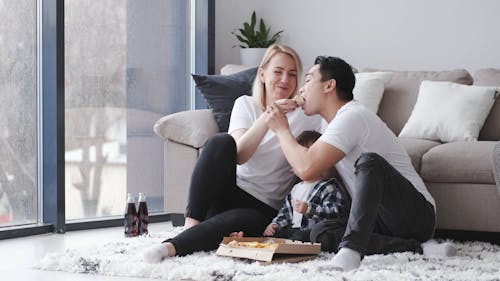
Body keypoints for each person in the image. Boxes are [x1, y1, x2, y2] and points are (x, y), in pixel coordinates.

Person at [264, 56, 456, 271]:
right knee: (321, 232)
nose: (301, 89)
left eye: (308, 80)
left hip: (415, 217)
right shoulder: (330, 126)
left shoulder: (353, 116)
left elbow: (306, 167)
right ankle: (419, 249)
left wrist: (281, 129)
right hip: (376, 221)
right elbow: (309, 173)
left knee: (369, 161)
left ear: (329, 85)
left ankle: (351, 251)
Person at [143, 44, 322, 263]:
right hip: (229, 191)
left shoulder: (307, 116)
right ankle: (191, 227)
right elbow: (240, 154)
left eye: (292, 74)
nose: (285, 79)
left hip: (263, 209)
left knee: (239, 219)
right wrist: (269, 117)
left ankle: (169, 247)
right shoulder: (245, 105)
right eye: (278, 71)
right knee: (221, 141)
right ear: (263, 74)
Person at [263, 130, 350, 242]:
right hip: (294, 229)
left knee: (300, 237)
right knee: (272, 237)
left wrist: (309, 209)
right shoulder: (295, 189)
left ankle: (293, 246)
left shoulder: (329, 186)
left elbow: (335, 212)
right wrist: (275, 225)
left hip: (312, 231)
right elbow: (286, 213)